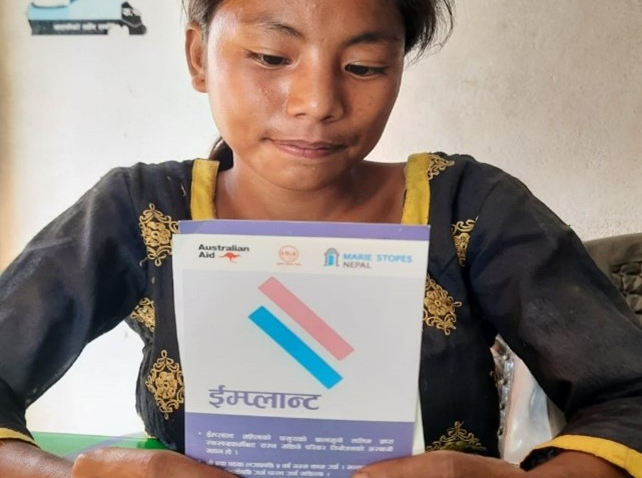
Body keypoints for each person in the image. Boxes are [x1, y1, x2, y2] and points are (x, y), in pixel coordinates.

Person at [0, 0, 640, 476]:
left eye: (364, 65)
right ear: (198, 55)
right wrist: (70, 472)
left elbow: (629, 398)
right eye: (272, 58)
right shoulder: (139, 211)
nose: (317, 101)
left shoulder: (470, 208)